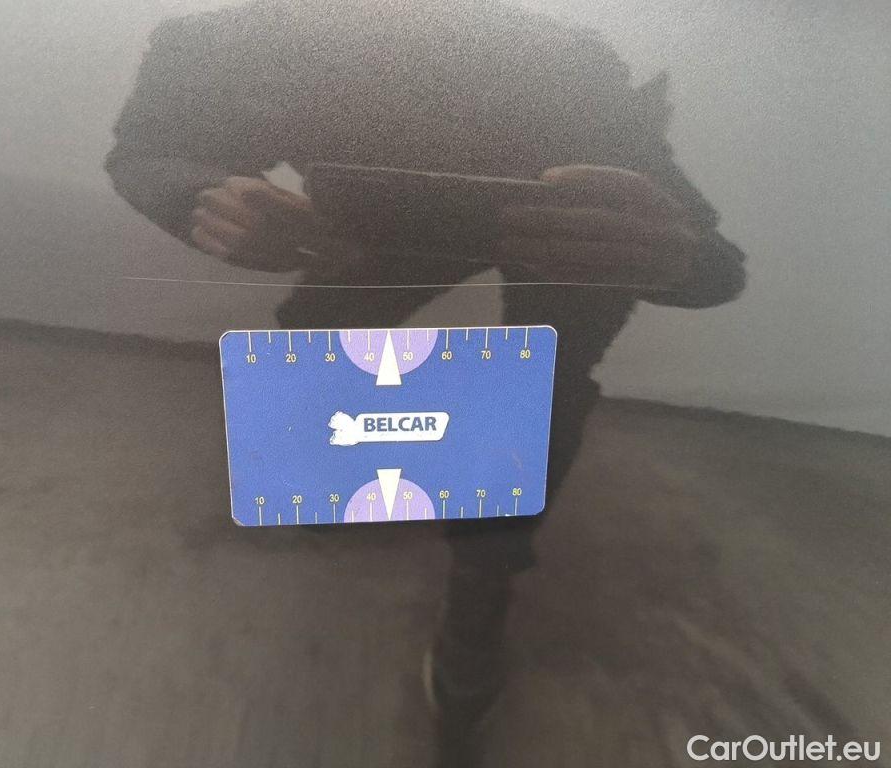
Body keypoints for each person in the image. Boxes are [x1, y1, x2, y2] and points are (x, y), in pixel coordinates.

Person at [106, 0, 746, 756]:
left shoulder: (240, 39)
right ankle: (439, 551)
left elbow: (148, 151)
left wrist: (674, 255)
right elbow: (149, 150)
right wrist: (680, 259)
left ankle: (483, 577)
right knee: (359, 344)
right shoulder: (235, 39)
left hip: (489, 228)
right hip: (417, 226)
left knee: (540, 387)